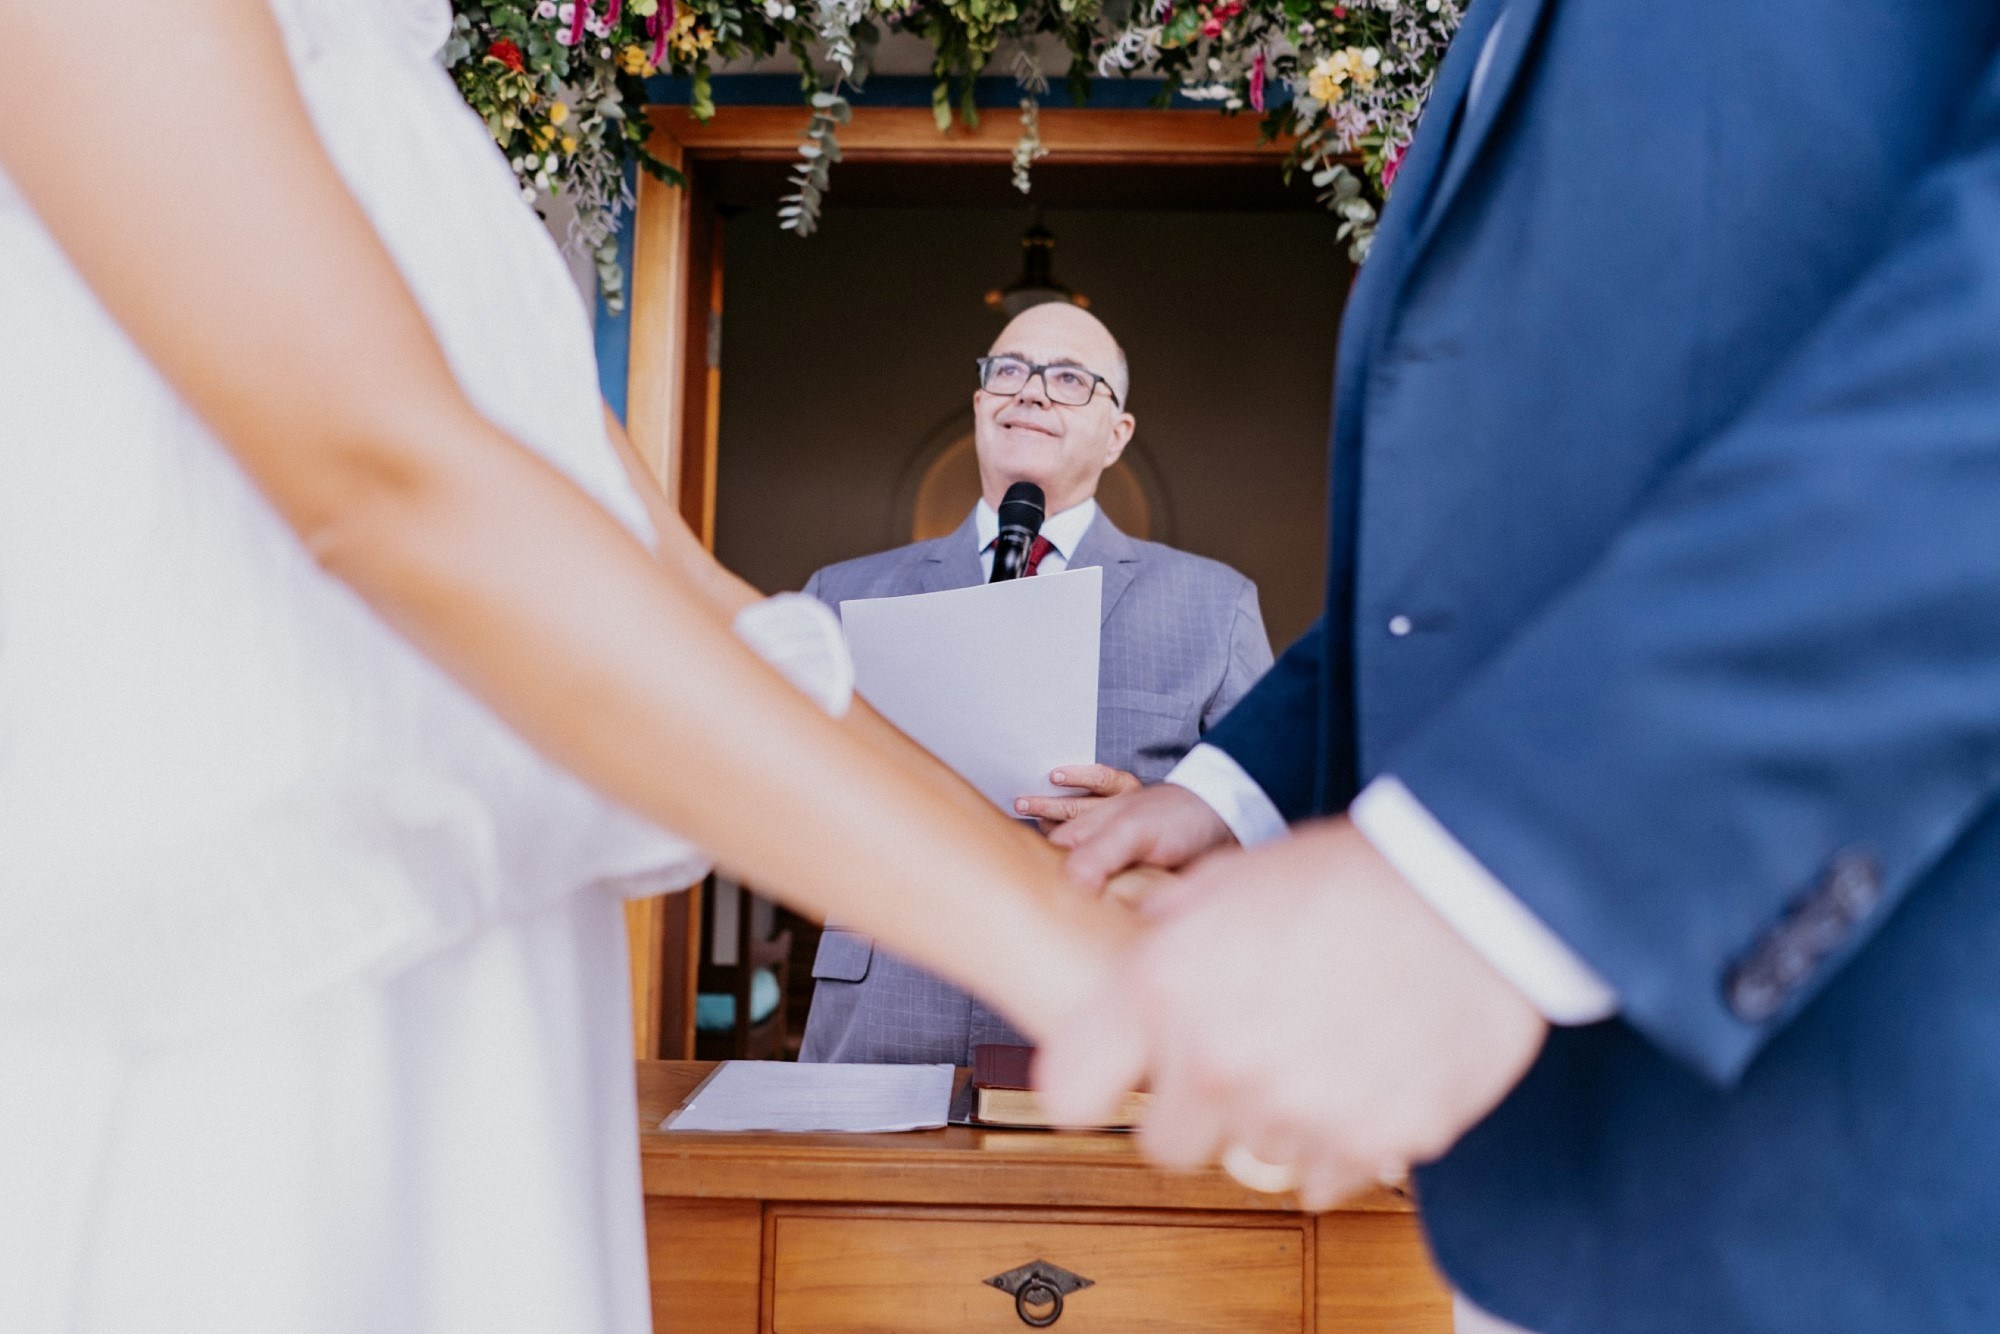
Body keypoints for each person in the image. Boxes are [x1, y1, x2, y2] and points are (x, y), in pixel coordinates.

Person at [0, 2, 1128, 1330]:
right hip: (243, 1016)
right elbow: (389, 484)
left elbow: (693, 598)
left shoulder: (408, 104)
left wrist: (1083, 911)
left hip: (479, 1027)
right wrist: (1081, 962)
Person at [1039, 1, 2000, 1331]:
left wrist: (1499, 872)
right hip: (1569, 1200)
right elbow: (1544, 507)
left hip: (1878, 1148)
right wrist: (1242, 785)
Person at [798, 303, 1272, 1065]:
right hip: (887, 1009)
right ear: (982, 404)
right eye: (1010, 371)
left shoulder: (1214, 605)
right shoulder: (843, 595)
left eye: (1069, 379)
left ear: (1118, 434)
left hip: (1104, 1016)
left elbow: (1272, 832)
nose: (1033, 392)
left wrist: (1153, 829)